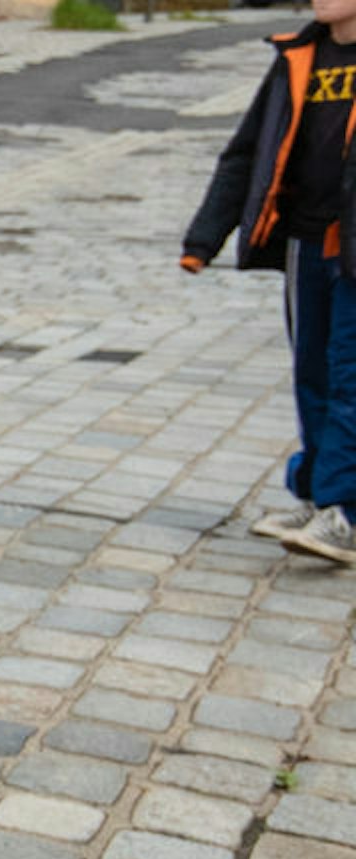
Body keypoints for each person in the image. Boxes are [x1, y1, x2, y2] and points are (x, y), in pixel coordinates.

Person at [184, 0, 356, 564]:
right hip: (305, 242)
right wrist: (204, 238)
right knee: (312, 372)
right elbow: (246, 150)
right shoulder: (297, 56)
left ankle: (346, 511)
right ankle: (318, 495)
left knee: (350, 375)